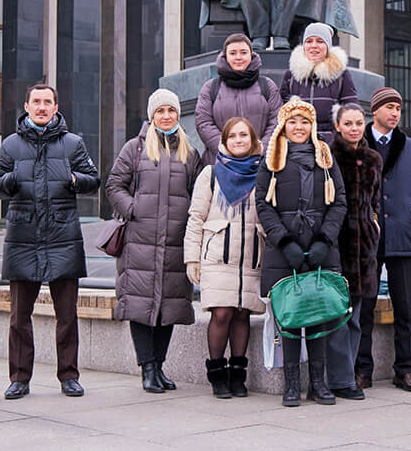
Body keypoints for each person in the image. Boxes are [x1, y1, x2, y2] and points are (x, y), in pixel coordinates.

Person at [0, 83, 100, 399]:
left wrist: (74, 179)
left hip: (63, 238)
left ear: (55, 107)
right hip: (23, 239)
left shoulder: (73, 143)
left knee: (67, 316)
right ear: (26, 106)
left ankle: (69, 375)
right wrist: (12, 179)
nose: (41, 107)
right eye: (36, 102)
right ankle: (19, 378)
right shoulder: (11, 145)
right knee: (19, 318)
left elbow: (93, 180)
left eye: (47, 102)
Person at [105, 89, 203, 394]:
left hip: (175, 241)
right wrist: (133, 209)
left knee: (169, 306)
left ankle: (159, 366)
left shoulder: (190, 152)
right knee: (140, 305)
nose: (166, 116)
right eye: (160, 111)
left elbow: (199, 192)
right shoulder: (134, 148)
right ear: (152, 115)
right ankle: (147, 368)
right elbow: (114, 185)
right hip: (140, 241)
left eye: (171, 111)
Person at [256, 97, 348, 406]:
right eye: (293, 121)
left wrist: (324, 240)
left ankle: (318, 383)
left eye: (305, 121)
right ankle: (291, 383)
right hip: (285, 250)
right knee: (291, 316)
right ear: (284, 125)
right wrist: (285, 243)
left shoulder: (325, 157)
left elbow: (339, 202)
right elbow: (263, 205)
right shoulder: (272, 159)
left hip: (320, 246)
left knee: (319, 314)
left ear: (312, 126)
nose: (299, 127)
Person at [356, 87, 411, 392]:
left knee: (406, 309)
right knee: (364, 308)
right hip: (367, 238)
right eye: (389, 107)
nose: (395, 113)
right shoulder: (358, 143)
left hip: (403, 237)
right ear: (374, 110)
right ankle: (362, 370)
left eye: (398, 109)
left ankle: (405, 370)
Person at [185, 117, 266, 398]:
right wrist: (192, 259)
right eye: (232, 136)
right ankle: (218, 376)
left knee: (242, 314)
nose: (238, 140)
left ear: (253, 140)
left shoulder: (263, 172)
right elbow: (196, 218)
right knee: (222, 313)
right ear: (224, 141)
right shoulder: (211, 173)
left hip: (250, 258)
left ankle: (238, 376)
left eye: (244, 135)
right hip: (217, 257)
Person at [324, 103, 382, 400]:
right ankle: (337, 379)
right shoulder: (328, 155)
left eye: (359, 123)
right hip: (337, 246)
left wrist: (374, 227)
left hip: (365, 250)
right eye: (348, 123)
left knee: (355, 319)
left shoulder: (373, 158)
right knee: (336, 318)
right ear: (338, 126)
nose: (354, 128)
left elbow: (375, 201)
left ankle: (347, 376)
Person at [194, 33, 282, 164]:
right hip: (220, 163)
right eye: (233, 53)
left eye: (243, 52)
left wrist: (260, 150)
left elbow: (277, 120)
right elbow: (203, 122)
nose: (238, 57)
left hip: (259, 164)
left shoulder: (267, 85)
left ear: (251, 55)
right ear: (225, 56)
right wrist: (225, 149)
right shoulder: (210, 87)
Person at [280, 23, 358, 142]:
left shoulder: (341, 74)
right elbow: (280, 110)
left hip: (331, 141)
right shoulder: (291, 75)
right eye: (309, 41)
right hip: (298, 141)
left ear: (327, 46)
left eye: (320, 41)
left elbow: (352, 110)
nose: (314, 46)